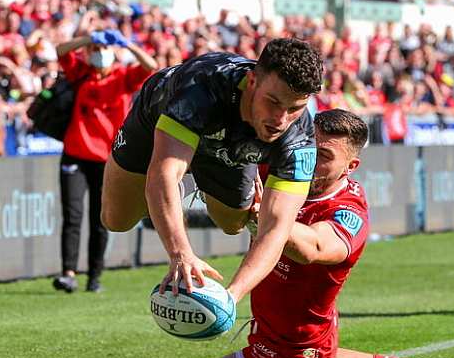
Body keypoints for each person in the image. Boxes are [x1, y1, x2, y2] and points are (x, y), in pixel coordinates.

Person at [152, 109, 454, 358]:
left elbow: (313, 247)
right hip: (302, 337)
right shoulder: (288, 172)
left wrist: (263, 214)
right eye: (308, 149)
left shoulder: (348, 212)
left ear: (350, 167)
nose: (310, 161)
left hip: (289, 351)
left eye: (324, 156)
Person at [101, 38, 323, 301]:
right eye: (273, 102)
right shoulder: (201, 89)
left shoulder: (299, 137)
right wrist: (180, 254)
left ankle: (199, 181)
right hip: (156, 121)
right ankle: (180, 181)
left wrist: (231, 297)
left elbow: (276, 229)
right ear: (252, 81)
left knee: (233, 225)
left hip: (228, 147)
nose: (280, 120)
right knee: (116, 219)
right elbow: (163, 174)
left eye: (295, 108)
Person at [52, 29, 158, 293]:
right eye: (95, 51)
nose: (100, 55)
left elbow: (152, 66)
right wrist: (88, 39)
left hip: (107, 158)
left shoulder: (123, 77)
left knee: (101, 218)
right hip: (75, 153)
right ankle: (68, 272)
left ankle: (94, 276)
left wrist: (127, 43)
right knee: (72, 215)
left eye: (103, 50)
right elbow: (60, 50)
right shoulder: (81, 73)